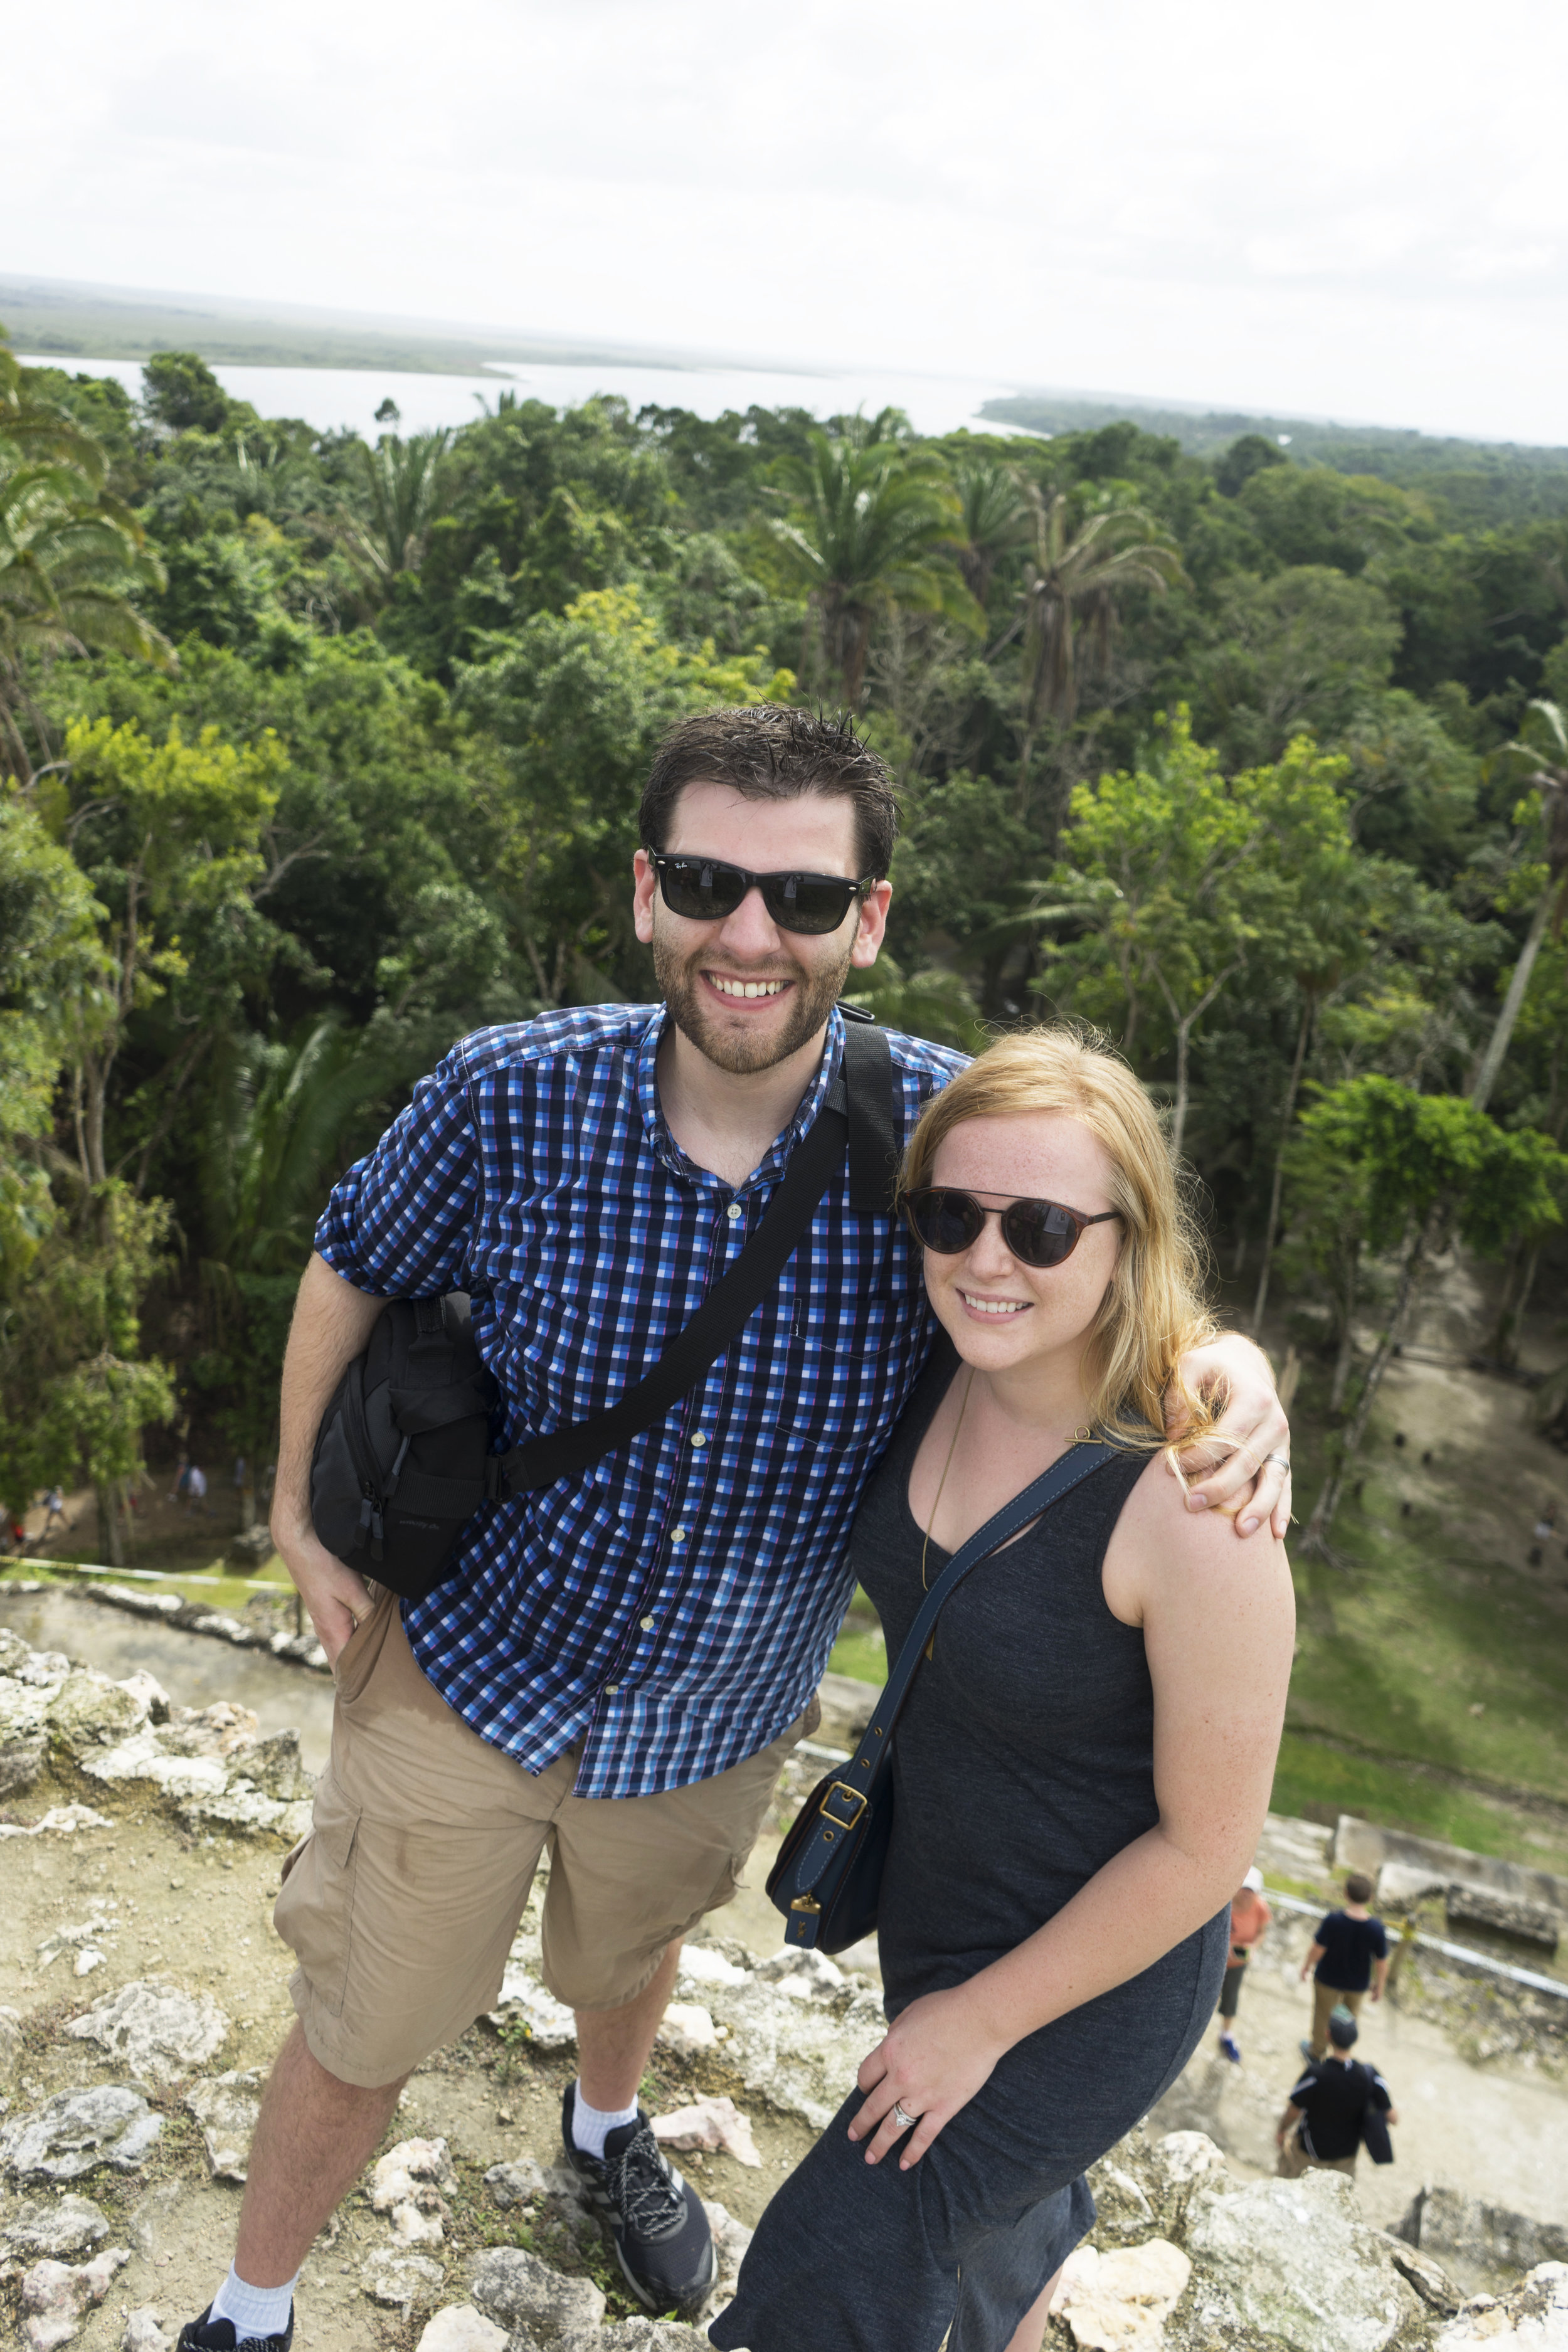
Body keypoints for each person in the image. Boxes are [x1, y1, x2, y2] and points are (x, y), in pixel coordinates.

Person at [172, 706, 1292, 2352]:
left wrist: (1224, 1366)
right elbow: (352, 1252)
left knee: (624, 1955)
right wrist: (289, 1505)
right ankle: (248, 2306)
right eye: (707, 880)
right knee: (363, 2021)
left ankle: (607, 2131)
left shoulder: (930, 1142)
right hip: (464, 1671)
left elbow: (1068, 1244)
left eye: (803, 896)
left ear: (871, 919)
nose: (750, 932)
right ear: (646, 892)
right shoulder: (512, 1093)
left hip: (712, 1709)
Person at [711, 1025, 1296, 2352]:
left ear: (1123, 1236)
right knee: (985, 2250)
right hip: (935, 1906)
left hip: (1088, 1976)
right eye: (949, 1214)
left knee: (830, 2266)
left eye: (1039, 1226)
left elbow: (1208, 1850)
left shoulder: (1192, 1502)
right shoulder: (932, 1361)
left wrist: (978, 2021)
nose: (986, 1259)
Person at [1276, 2005, 1396, 2178]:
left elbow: (1294, 2110)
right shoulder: (1370, 2075)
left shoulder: (1316, 2074)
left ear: (1328, 2035)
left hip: (1310, 2152)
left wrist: (1282, 2130)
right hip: (1345, 2158)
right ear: (1356, 2038)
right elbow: (1393, 2118)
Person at [1300, 1873, 1388, 2058]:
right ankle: (1341, 2054)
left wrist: (1307, 1966)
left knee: (1323, 2016)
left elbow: (1318, 1948)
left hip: (1328, 1979)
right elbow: (1381, 1962)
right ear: (1371, 1898)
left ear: (1346, 1894)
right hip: (1357, 1984)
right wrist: (1380, 1985)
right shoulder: (1376, 1928)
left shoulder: (1334, 1920)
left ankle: (1316, 2052)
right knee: (1350, 2019)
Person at [1216, 1865, 1271, 2062]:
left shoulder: (1261, 1907)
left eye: (1252, 1891)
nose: (1247, 1894)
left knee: (1231, 1998)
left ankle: (1226, 2034)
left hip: (1237, 1964)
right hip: (1216, 1960)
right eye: (1244, 1888)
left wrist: (1253, 1948)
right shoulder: (1223, 1903)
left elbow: (1262, 1932)